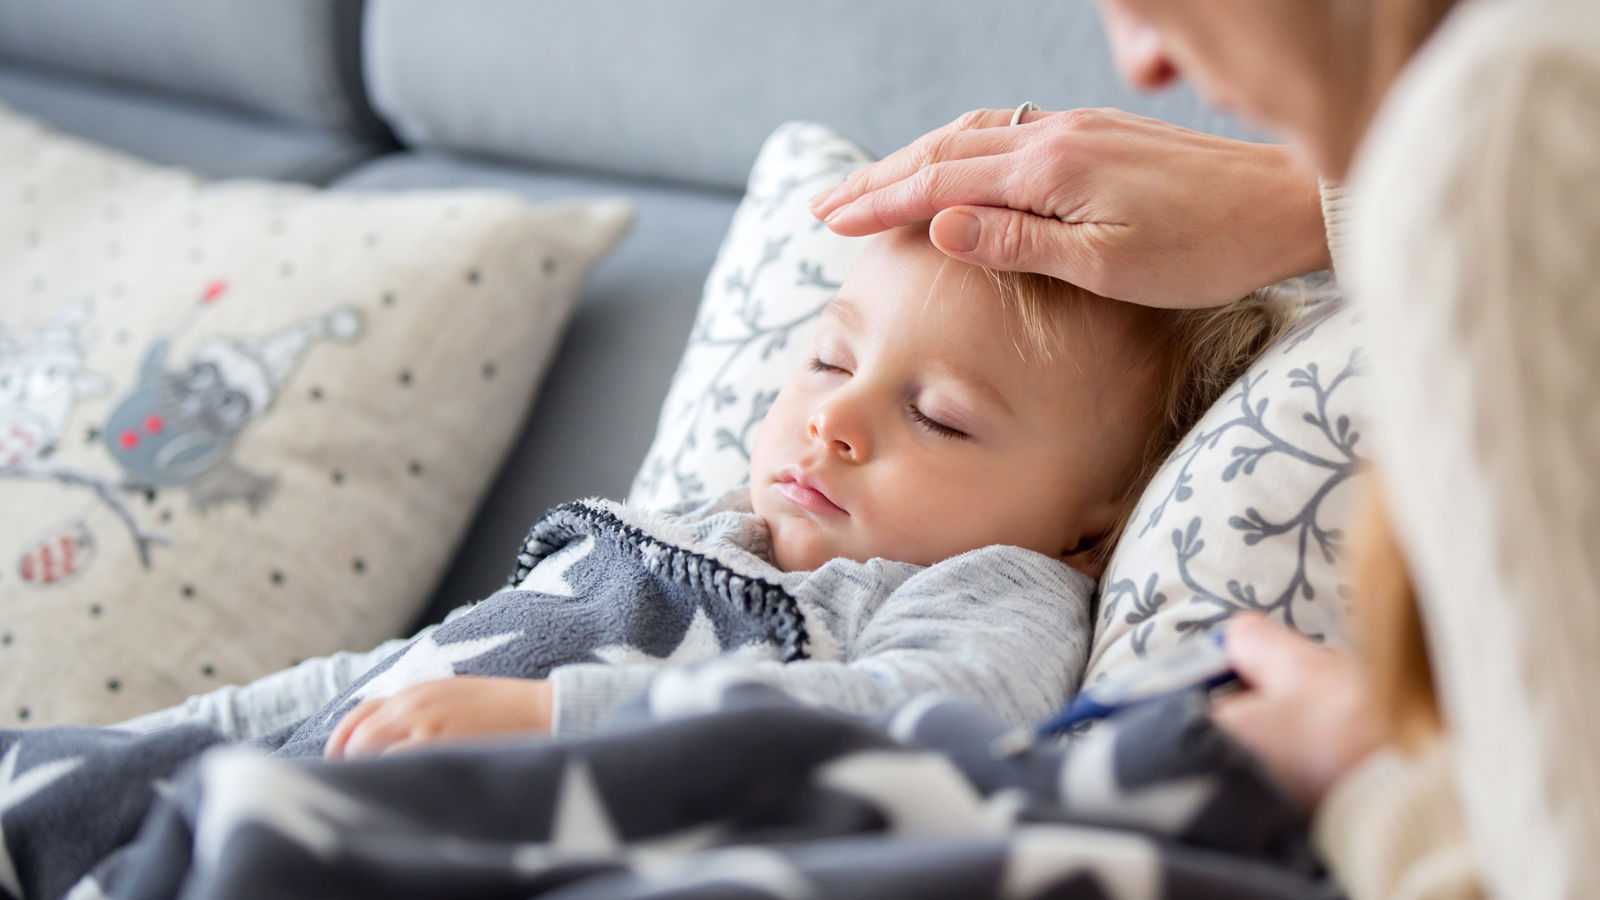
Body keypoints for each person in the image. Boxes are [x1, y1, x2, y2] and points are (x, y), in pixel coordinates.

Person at [812, 0, 1600, 897]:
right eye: (824, 359)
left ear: (1093, 530)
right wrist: (1311, 202)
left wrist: (1366, 778)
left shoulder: (1511, 129)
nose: (1140, 61)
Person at [115, 221, 1286, 761]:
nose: (832, 417)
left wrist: (557, 723)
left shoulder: (989, 594)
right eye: (829, 361)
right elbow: (389, 675)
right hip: (294, 770)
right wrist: (154, 743)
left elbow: (931, 721)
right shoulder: (673, 530)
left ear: (1090, 535)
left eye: (937, 417)